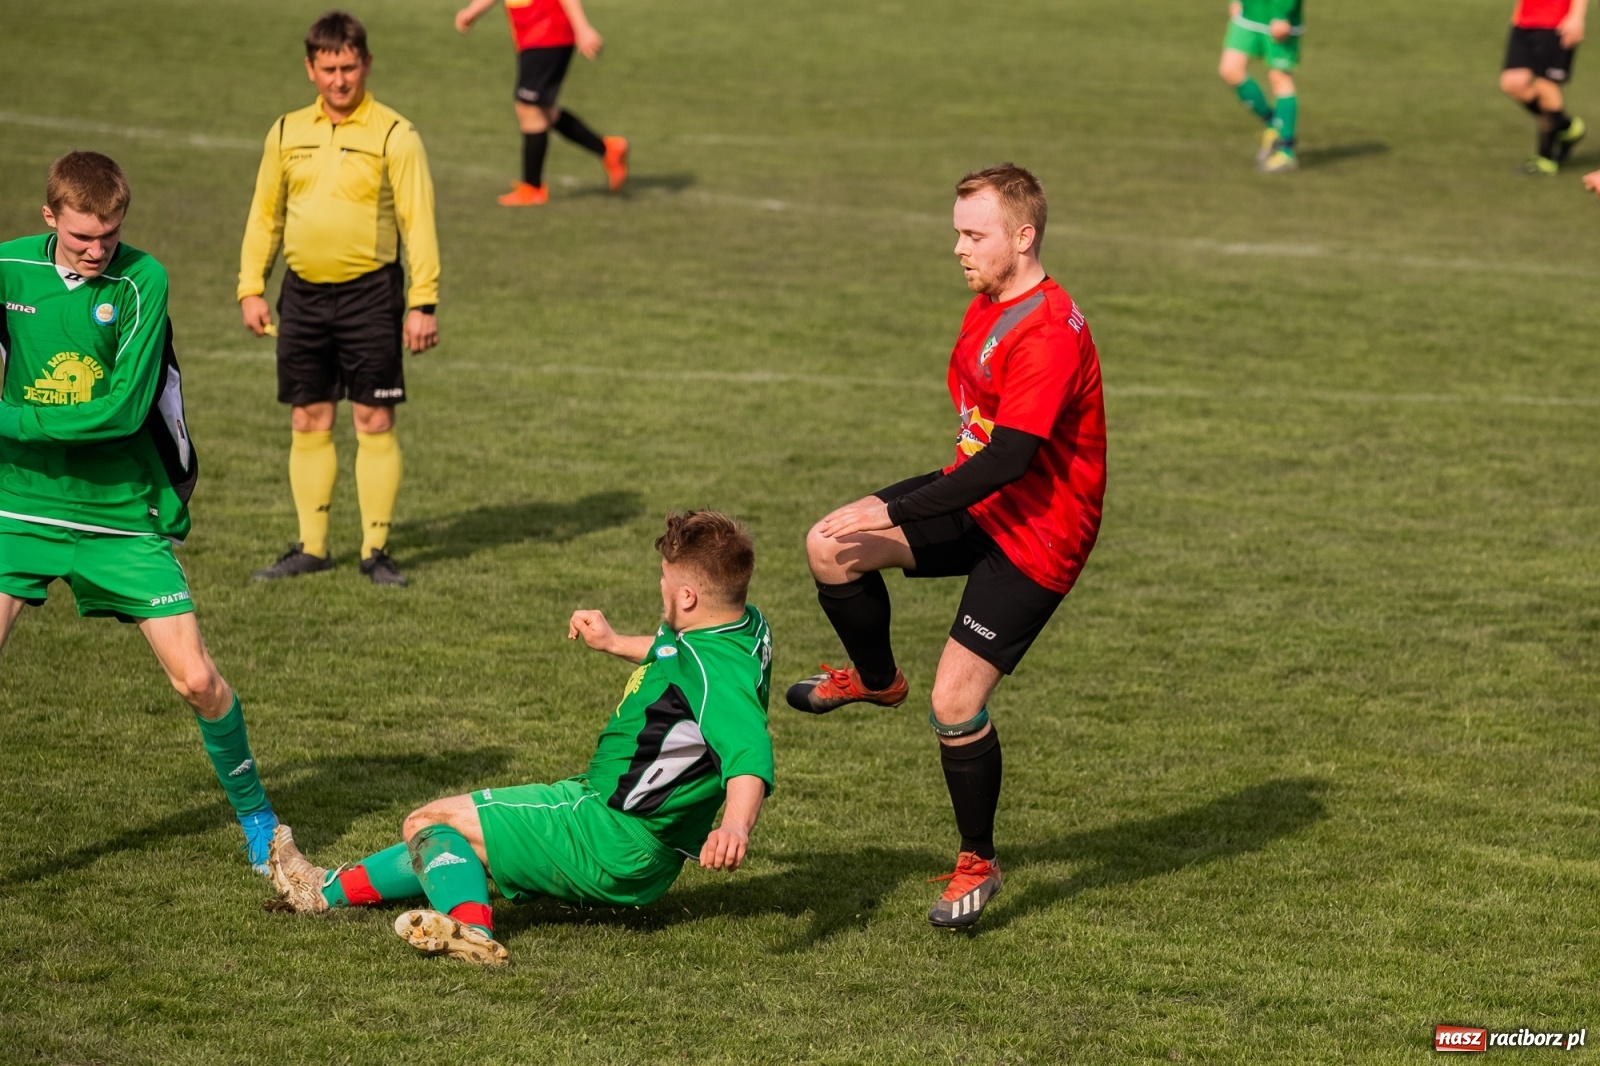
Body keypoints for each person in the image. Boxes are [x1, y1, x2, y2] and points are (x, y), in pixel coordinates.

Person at [785, 165, 1106, 930]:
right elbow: (979, 449)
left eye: (974, 234)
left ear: (1023, 237)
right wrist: (881, 506)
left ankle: (979, 860)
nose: (957, 247)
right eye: (956, 230)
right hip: (984, 500)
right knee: (831, 546)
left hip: (1039, 533)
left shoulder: (1047, 331)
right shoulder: (987, 305)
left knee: (956, 702)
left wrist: (892, 501)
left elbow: (1008, 461)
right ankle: (874, 678)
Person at [266, 511, 773, 965]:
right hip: (619, 821)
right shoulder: (739, 626)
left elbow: (748, 753)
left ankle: (475, 936)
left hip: (611, 833)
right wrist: (614, 642)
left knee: (427, 820)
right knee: (457, 838)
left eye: (664, 581)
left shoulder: (717, 674)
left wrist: (734, 828)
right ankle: (322, 892)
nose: (659, 589)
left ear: (688, 595)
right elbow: (677, 661)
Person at [0, 151, 279, 872]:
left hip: (117, 512)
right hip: (18, 508)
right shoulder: (9, 270)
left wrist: (13, 421)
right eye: (82, 237)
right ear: (49, 217)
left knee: (196, 681)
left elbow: (122, 410)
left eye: (110, 235)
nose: (97, 251)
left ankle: (259, 819)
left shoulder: (142, 278)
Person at [238, 10, 441, 587]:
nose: (340, 80)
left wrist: (422, 302)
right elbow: (265, 216)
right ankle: (313, 546)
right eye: (328, 69)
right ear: (310, 69)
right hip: (301, 294)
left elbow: (417, 223)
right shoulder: (284, 132)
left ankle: (375, 551)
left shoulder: (396, 135)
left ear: (367, 64)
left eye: (349, 67)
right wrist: (251, 286)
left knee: (374, 417)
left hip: (372, 295)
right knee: (309, 416)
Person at [454, 0, 629, 205]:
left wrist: (582, 27)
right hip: (530, 33)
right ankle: (608, 150)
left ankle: (533, 187)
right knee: (541, 110)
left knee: (528, 107)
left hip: (548, 31)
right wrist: (473, 11)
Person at [1500, 0, 1588, 174]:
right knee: (1513, 82)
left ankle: (1545, 158)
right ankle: (1565, 126)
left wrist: (1576, 17)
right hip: (1524, 20)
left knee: (1546, 86)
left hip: (1557, 22)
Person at [1218, 0, 1304, 173]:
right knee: (1230, 70)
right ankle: (1273, 124)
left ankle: (1286, 151)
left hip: (1278, 16)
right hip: (1249, 13)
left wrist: (1281, 14)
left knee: (1279, 77)